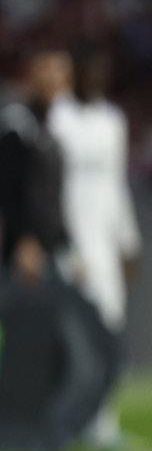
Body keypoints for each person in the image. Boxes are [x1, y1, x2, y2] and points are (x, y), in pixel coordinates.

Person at [48, 48, 141, 451]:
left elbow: (117, 186)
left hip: (104, 248)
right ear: (77, 73)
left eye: (102, 71)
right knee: (68, 339)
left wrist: (129, 243)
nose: (96, 78)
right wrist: (62, 245)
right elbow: (50, 187)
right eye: (89, 71)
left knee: (109, 332)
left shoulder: (112, 122)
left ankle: (102, 424)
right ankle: (61, 422)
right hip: (67, 245)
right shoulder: (57, 119)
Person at [0, 50, 71, 288]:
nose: (54, 82)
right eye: (48, 74)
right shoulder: (18, 124)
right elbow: (8, 189)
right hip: (22, 249)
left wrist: (66, 243)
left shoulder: (55, 128)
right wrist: (23, 238)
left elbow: (55, 195)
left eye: (61, 77)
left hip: (50, 247)